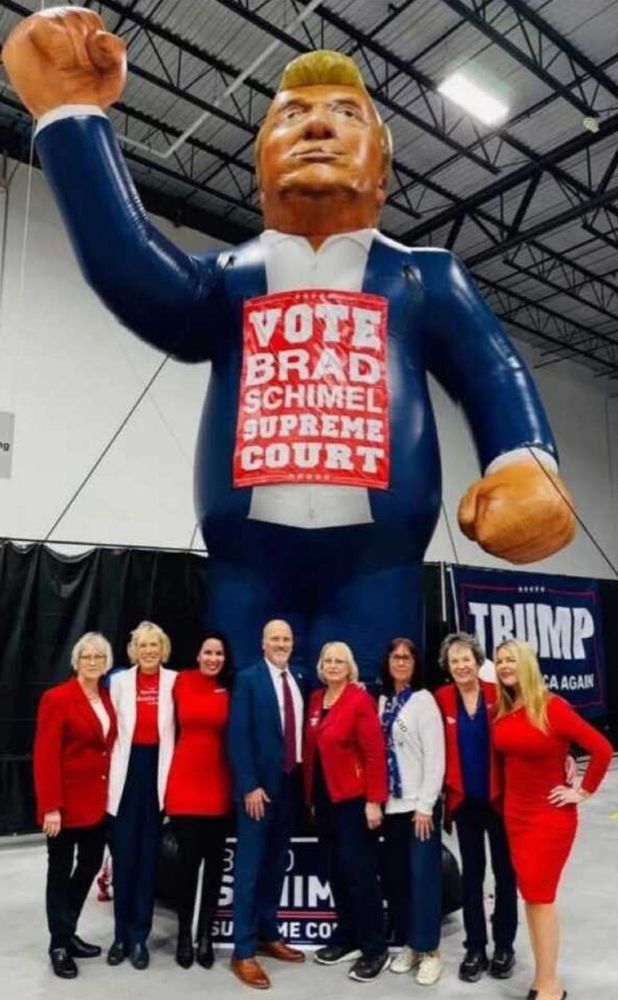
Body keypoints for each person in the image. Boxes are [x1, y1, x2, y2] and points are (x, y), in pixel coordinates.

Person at [3, 12, 576, 677]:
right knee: (252, 713)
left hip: (379, 556)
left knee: (365, 709)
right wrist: (71, 119)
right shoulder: (226, 283)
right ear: (259, 168)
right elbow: (129, 268)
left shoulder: (423, 277)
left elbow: (491, 371)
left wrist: (524, 460)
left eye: (346, 115)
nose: (317, 125)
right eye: (290, 116)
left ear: (383, 178)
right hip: (248, 554)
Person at [493, 639, 613, 1000]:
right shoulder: (505, 708)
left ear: (527, 663)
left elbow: (602, 748)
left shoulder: (551, 707)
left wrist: (583, 791)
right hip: (515, 815)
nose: (503, 665)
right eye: (499, 660)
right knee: (531, 897)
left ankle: (550, 985)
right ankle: (541, 979)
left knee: (540, 897)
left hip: (548, 818)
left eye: (511, 659)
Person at [434, 632, 518, 983]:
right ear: (447, 667)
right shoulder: (440, 699)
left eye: (466, 659)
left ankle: (504, 946)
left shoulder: (499, 695)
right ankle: (474, 946)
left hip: (499, 802)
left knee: (505, 874)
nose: (461, 666)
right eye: (454, 661)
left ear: (478, 661)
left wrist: (564, 762)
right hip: (464, 802)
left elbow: (535, 725)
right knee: (472, 876)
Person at [304, 641, 389, 983]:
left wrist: (374, 800)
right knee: (335, 871)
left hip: (354, 801)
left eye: (340, 660)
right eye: (329, 660)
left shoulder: (359, 700)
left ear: (350, 666)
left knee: (360, 874)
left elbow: (374, 753)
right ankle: (348, 935)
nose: (334, 665)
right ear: (321, 666)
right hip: (323, 801)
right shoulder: (315, 699)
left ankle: (374, 947)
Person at [33, 631, 117, 979]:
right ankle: (58, 944)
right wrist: (50, 805)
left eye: (99, 657)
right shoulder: (57, 698)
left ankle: (67, 933)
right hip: (65, 806)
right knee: (59, 870)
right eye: (87, 657)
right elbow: (45, 754)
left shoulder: (107, 697)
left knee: (90, 865)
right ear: (76, 660)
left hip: (97, 802)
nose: (93, 662)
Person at [227, 619, 305, 989]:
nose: (281, 643)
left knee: (275, 867)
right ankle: (243, 950)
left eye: (286, 638)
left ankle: (268, 933)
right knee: (249, 870)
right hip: (257, 794)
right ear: (262, 644)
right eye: (274, 638)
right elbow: (237, 737)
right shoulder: (247, 679)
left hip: (290, 791)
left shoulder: (300, 679)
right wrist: (248, 786)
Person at [106, 621, 177, 970]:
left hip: (157, 776)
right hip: (125, 776)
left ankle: (138, 938)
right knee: (124, 860)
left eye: (154, 645)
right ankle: (119, 936)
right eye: (143, 645)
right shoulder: (118, 682)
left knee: (148, 861)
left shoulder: (174, 681)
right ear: (134, 650)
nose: (149, 650)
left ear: (162, 649)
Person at [378, 638, 445, 986]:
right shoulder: (382, 701)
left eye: (407, 657)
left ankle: (430, 950)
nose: (401, 662)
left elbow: (436, 758)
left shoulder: (423, 701)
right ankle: (410, 944)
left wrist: (426, 806)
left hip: (420, 808)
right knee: (399, 879)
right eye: (396, 656)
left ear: (416, 663)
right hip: (392, 807)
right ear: (387, 661)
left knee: (423, 880)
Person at [164, 630, 233, 970]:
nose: (213, 659)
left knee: (216, 868)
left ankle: (206, 934)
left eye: (219, 653)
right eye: (208, 652)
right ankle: (183, 936)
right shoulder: (179, 682)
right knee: (186, 867)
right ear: (197, 655)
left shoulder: (230, 688)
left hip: (218, 787)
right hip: (185, 786)